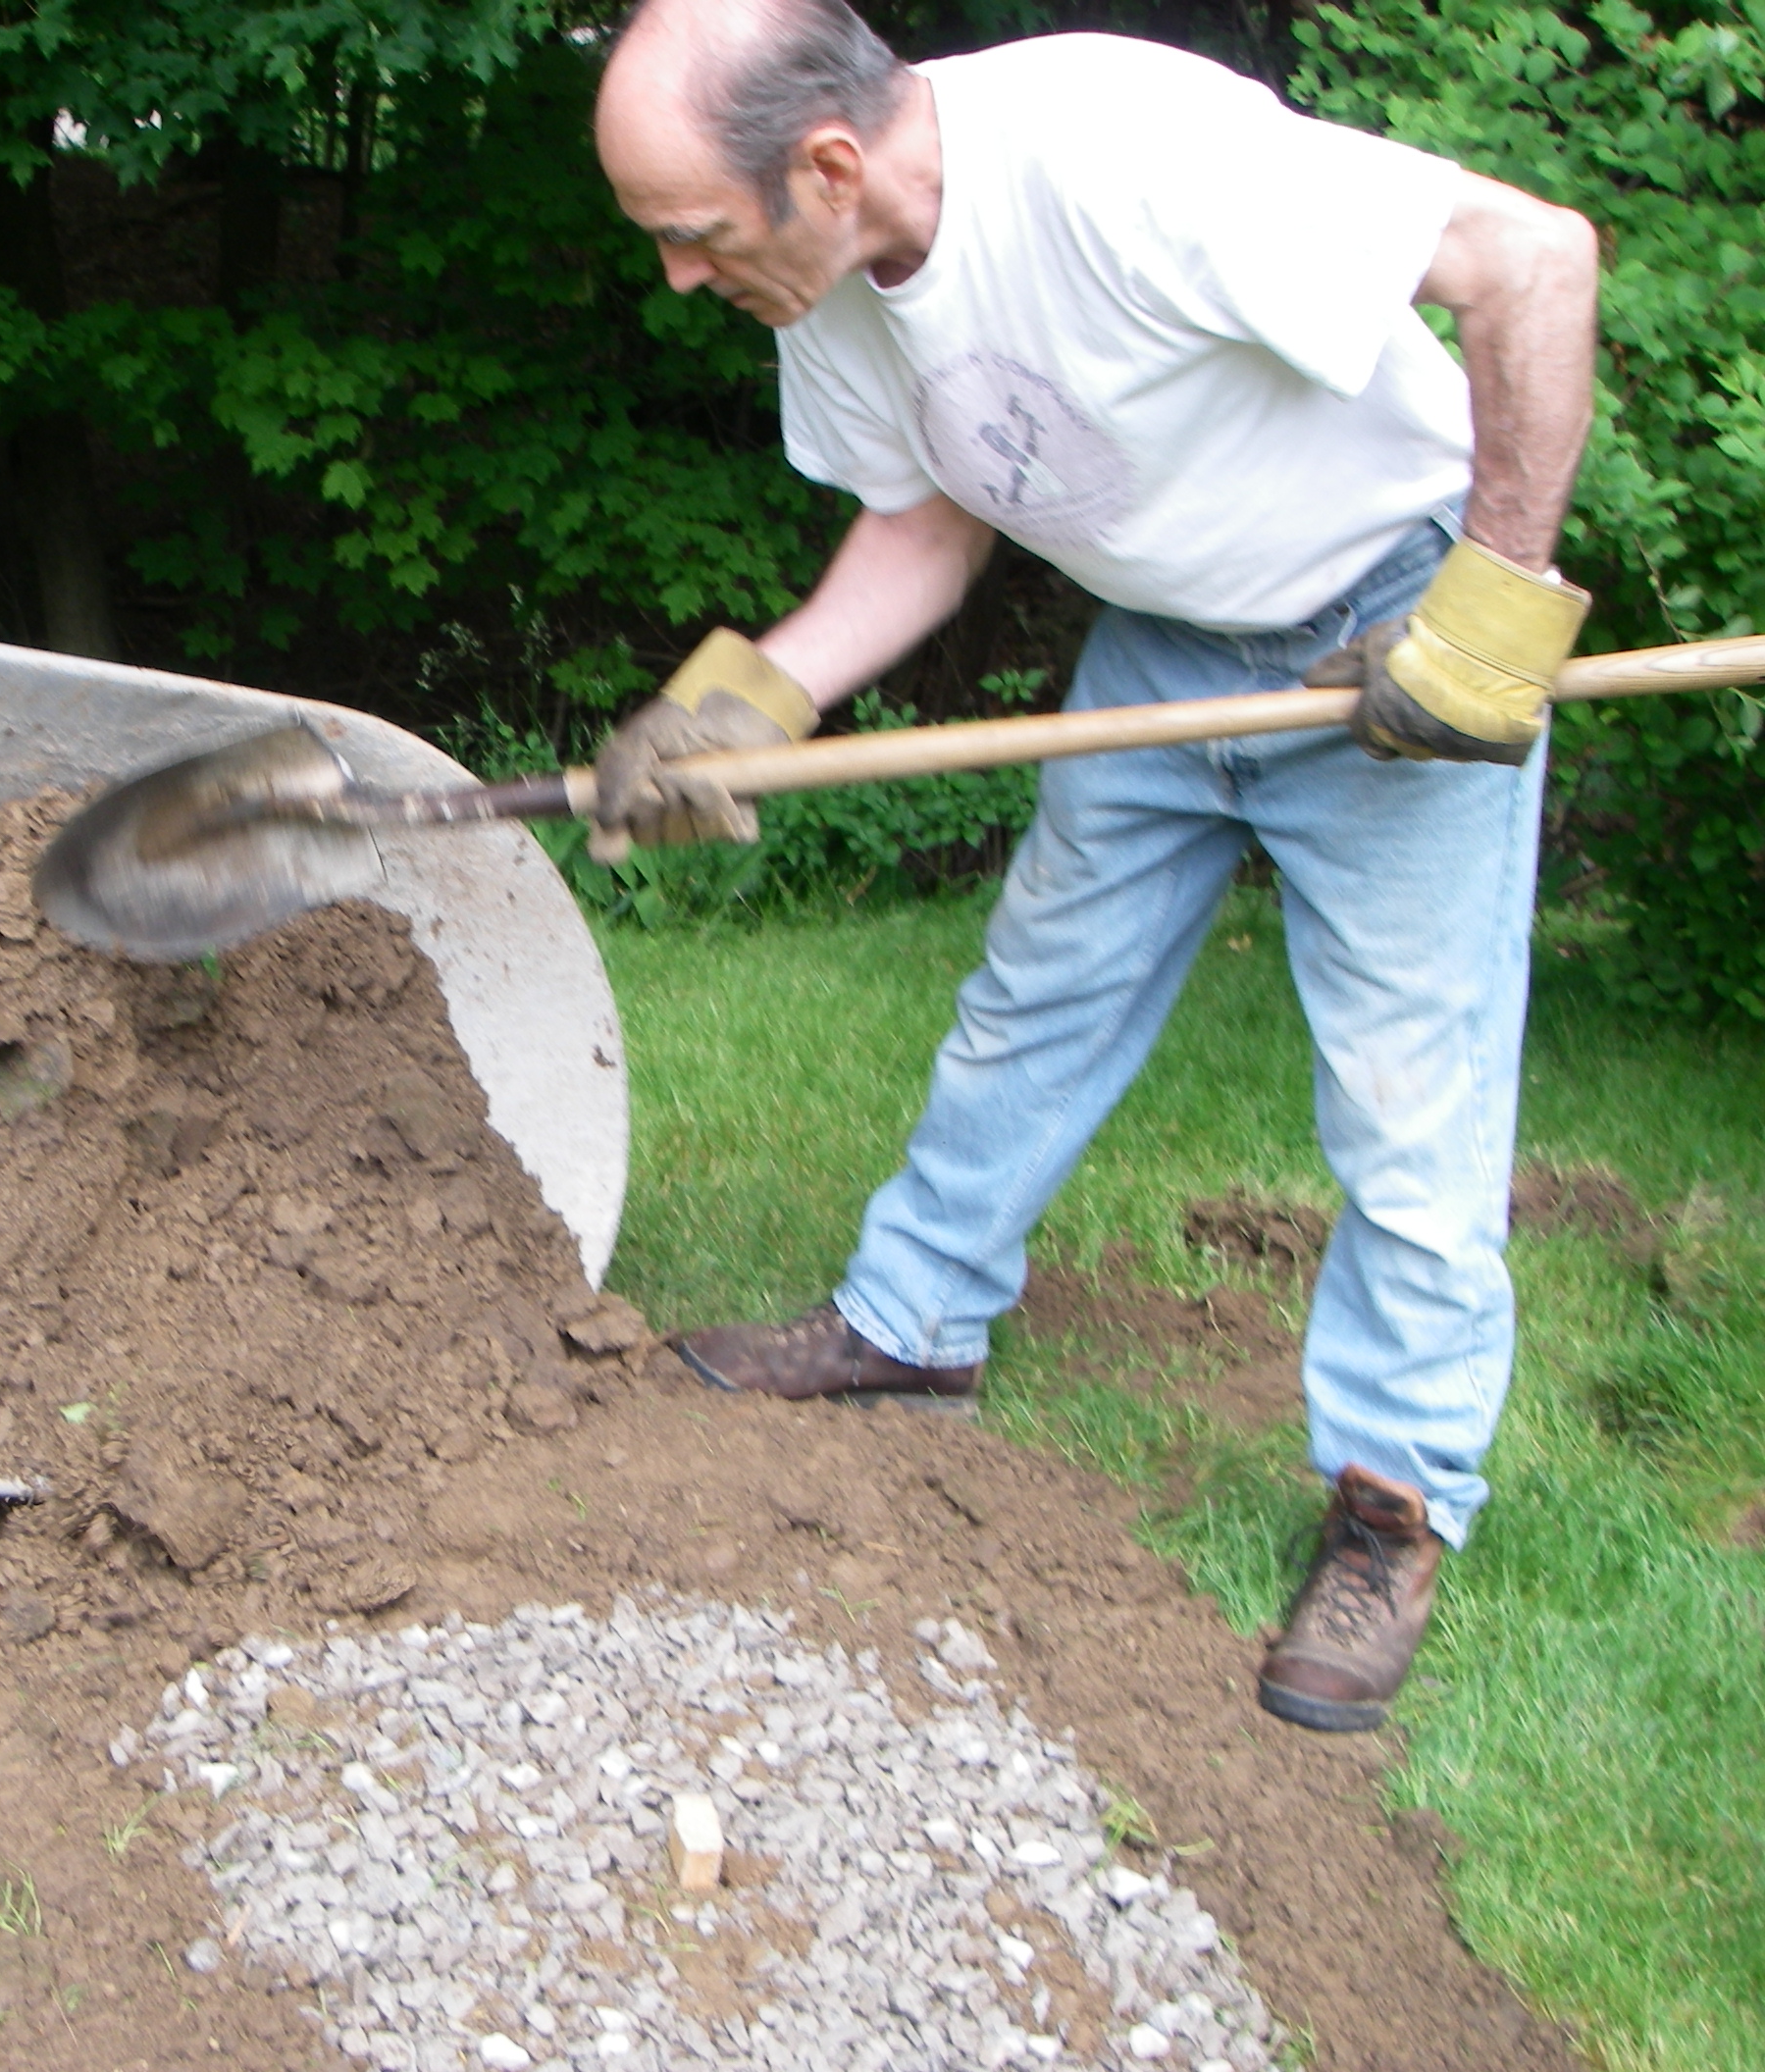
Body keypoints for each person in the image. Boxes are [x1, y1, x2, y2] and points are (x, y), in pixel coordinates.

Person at [588, 0, 1597, 1733]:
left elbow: (1534, 258)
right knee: (1035, 1001)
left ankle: (1395, 1504)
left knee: (1408, 1105)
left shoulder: (1122, 151)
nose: (681, 277)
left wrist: (1492, 608)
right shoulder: (834, 282)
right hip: (1169, 641)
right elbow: (927, 519)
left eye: (694, 234)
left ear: (825, 163)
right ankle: (912, 1321)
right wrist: (753, 699)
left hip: (1387, 622)